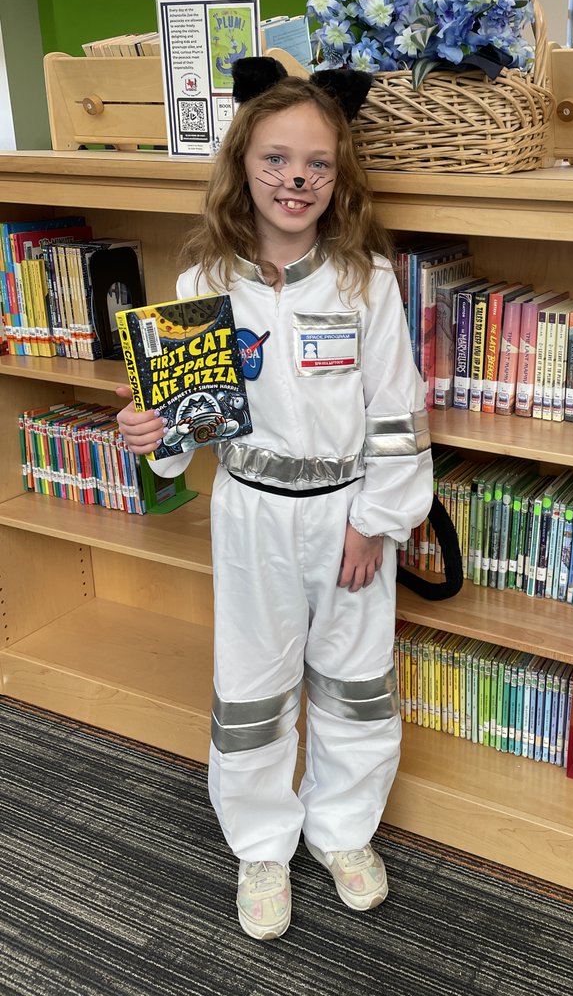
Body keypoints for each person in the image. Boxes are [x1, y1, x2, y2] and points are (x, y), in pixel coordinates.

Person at [116, 59, 433, 941]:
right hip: (250, 510)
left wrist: (376, 522)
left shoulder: (367, 281)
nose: (296, 179)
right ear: (242, 165)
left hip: (348, 515)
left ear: (340, 176)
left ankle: (344, 831)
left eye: (318, 163)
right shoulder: (202, 284)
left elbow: (397, 412)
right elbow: (186, 427)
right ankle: (261, 845)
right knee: (253, 685)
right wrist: (153, 431)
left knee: (355, 682)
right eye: (276, 159)